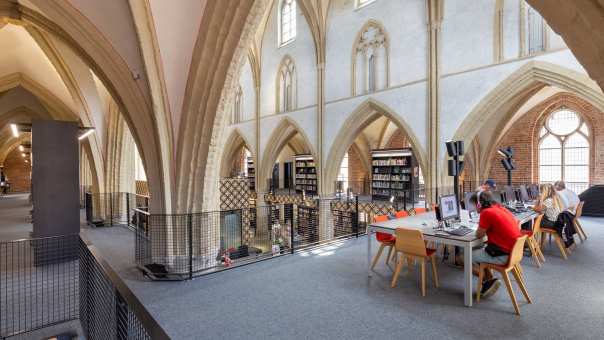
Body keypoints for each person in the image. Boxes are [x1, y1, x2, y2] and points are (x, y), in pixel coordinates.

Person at [469, 190, 521, 298]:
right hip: (513, 253)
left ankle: (487, 280)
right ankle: (489, 280)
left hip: (503, 255)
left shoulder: (486, 213)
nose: (474, 207)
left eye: (474, 205)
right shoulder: (501, 208)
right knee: (482, 248)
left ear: (479, 204)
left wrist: (479, 227)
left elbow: (479, 235)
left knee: (463, 256)